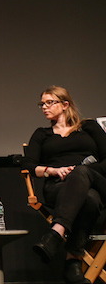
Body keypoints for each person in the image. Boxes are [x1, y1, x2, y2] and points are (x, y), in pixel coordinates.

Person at [22, 85, 106, 284]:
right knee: (89, 199)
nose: (44, 107)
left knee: (82, 174)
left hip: (96, 181)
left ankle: (56, 232)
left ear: (65, 104)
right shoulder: (42, 135)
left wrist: (81, 172)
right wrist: (54, 171)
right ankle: (72, 262)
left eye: (50, 102)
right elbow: (27, 165)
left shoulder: (89, 127)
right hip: (59, 187)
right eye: (42, 103)